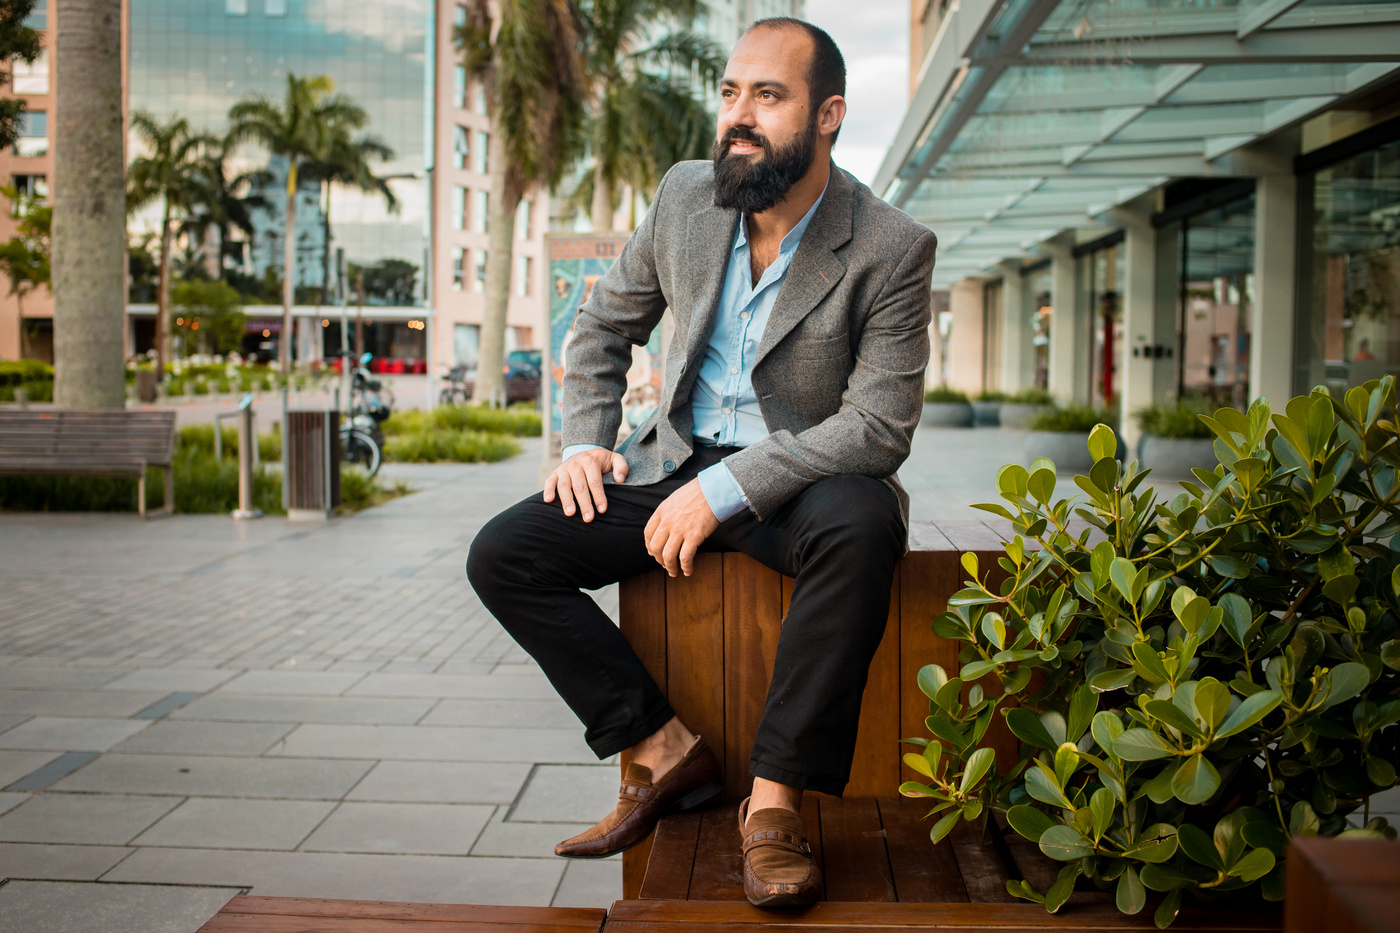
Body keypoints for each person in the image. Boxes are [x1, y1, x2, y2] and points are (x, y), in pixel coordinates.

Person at [468, 17, 937, 907]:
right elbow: (602, 326)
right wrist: (584, 442)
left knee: (866, 519)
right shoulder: (686, 196)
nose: (739, 116)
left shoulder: (889, 245)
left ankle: (774, 801)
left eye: (769, 95)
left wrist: (725, 489)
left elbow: (878, 426)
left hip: (794, 482)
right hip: (670, 461)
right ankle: (661, 747)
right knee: (505, 553)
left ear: (828, 114)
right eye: (730, 93)